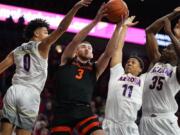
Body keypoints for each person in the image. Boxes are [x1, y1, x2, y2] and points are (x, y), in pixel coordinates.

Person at [0, 0, 93, 134]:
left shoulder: (17, 50)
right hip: (30, 93)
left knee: (4, 132)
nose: (48, 35)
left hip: (13, 91)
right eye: (45, 32)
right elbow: (62, 29)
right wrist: (74, 8)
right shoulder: (42, 45)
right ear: (36, 34)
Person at [50, 3, 124, 135]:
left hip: (83, 110)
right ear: (76, 51)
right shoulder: (67, 60)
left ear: (92, 55)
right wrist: (95, 21)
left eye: (90, 48)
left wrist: (118, 27)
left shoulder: (95, 68)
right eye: (83, 46)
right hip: (62, 110)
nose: (87, 48)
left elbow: (108, 53)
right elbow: (75, 40)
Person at [139, 7, 180, 135]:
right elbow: (149, 32)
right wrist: (173, 14)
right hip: (145, 120)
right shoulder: (155, 62)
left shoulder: (177, 71)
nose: (164, 50)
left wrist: (170, 33)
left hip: (165, 120)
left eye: (169, 48)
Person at [102, 16, 145, 135]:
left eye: (133, 62)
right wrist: (124, 27)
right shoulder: (117, 73)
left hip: (128, 127)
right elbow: (117, 50)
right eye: (128, 62)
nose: (129, 63)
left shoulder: (143, 80)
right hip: (109, 125)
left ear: (141, 69)